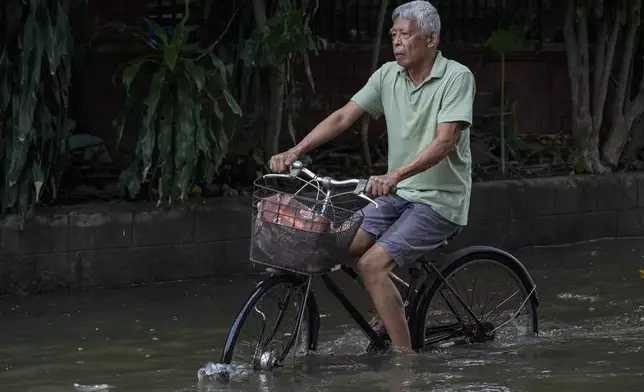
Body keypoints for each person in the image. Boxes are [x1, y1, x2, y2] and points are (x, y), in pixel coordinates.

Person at [269, 0, 475, 352]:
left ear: (430, 39)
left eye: (405, 35)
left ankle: (406, 364)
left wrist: (395, 174)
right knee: (339, 243)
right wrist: (295, 150)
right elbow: (341, 118)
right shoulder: (387, 76)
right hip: (398, 193)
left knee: (372, 265)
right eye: (393, 34)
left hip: (440, 200)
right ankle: (396, 301)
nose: (396, 41)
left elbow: (444, 143)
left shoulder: (456, 77)